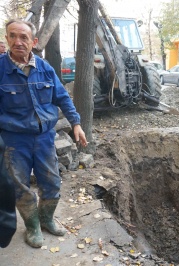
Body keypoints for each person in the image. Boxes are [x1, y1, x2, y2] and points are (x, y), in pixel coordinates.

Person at [0, 19, 87, 248]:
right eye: (13, 36)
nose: (18, 42)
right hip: (14, 140)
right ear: (7, 38)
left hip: (45, 137)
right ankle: (32, 225)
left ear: (34, 42)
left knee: (52, 181)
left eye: (24, 37)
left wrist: (76, 123)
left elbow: (62, 97)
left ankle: (47, 219)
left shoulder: (45, 67)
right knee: (19, 185)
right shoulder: (0, 69)